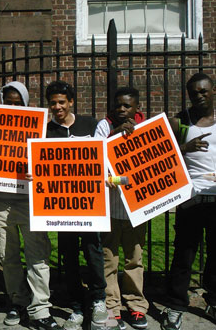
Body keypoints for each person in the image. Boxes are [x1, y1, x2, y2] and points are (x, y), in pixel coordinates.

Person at [0, 81, 60, 330]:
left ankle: (40, 308)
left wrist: (39, 171)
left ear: (26, 104)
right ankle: (17, 301)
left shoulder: (40, 128)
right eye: (7, 102)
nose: (11, 107)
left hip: (31, 199)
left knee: (37, 255)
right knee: (7, 255)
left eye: (17, 103)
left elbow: (52, 162)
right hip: (0, 200)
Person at [45, 80, 108, 330]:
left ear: (71, 102)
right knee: (68, 255)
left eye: (62, 102)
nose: (57, 107)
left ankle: (99, 300)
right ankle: (76, 306)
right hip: (61, 206)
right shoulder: (46, 129)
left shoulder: (90, 124)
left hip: (90, 203)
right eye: (53, 103)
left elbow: (105, 156)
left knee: (93, 251)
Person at [162, 73, 216, 330]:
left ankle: (213, 300)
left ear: (213, 90)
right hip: (191, 196)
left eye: (203, 91)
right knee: (184, 254)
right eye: (194, 92)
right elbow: (160, 154)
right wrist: (185, 147)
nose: (199, 96)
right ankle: (176, 305)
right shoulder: (180, 121)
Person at [94, 87, 148, 330]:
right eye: (118, 105)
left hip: (137, 207)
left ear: (137, 108)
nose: (122, 109)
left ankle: (136, 305)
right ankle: (112, 306)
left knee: (134, 259)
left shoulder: (147, 126)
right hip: (110, 207)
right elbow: (93, 154)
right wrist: (116, 133)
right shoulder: (105, 126)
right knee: (109, 260)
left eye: (127, 106)